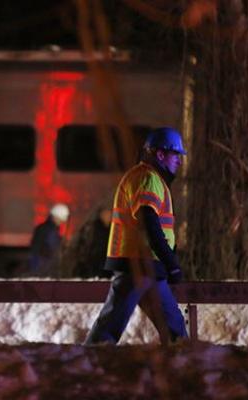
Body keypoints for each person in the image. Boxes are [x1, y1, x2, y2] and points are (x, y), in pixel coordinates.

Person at [85, 127, 188, 344]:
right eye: (175, 155)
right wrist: (172, 263)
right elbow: (149, 223)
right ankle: (89, 363)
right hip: (139, 263)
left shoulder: (148, 178)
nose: (179, 160)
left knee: (173, 327)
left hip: (146, 265)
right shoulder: (148, 178)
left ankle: (183, 360)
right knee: (114, 324)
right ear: (160, 154)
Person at [28, 203, 70, 275]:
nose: (61, 223)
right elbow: (52, 248)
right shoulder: (51, 231)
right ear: (55, 217)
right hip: (44, 267)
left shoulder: (42, 228)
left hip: (39, 265)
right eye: (61, 220)